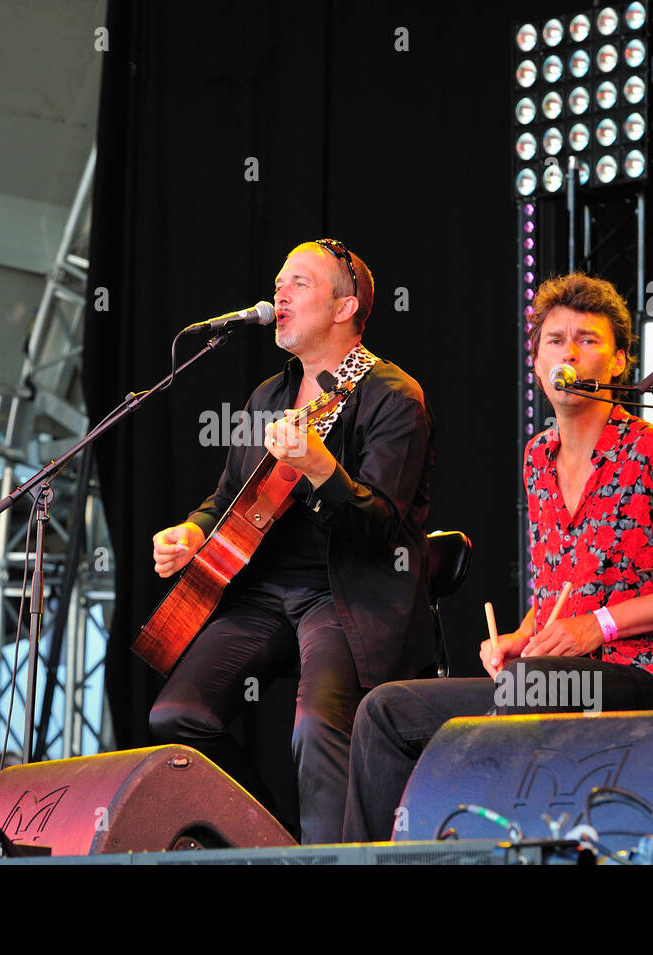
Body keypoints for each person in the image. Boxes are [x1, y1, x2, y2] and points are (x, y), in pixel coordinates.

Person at [341, 272, 653, 843]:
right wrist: (520, 635)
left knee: (529, 689)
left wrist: (596, 627)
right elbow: (562, 592)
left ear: (618, 363)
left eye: (588, 340)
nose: (569, 352)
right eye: (555, 340)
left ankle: (489, 849)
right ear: (536, 362)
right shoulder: (538, 458)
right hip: (549, 678)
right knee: (385, 711)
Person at [148, 239, 435, 844]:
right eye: (279, 281)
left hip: (344, 594)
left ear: (343, 307)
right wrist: (193, 531)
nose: (279, 292)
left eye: (299, 283)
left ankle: (333, 862)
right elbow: (227, 495)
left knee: (315, 725)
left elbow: (382, 525)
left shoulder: (393, 396)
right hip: (263, 592)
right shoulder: (267, 397)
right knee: (177, 716)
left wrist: (325, 471)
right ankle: (273, 843)